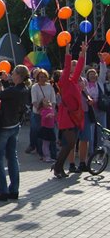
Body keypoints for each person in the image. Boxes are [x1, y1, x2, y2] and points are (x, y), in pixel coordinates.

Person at [0, 65, 30, 201]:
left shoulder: (13, 91)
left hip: (5, 126)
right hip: (15, 125)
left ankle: (3, 191)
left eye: (14, 73)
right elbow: (9, 93)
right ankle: (14, 189)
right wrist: (4, 80)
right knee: (12, 157)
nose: (11, 74)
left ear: (19, 76)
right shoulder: (24, 89)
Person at [53, 42, 87, 178]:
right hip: (66, 116)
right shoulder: (64, 83)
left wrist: (83, 52)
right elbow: (67, 67)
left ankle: (58, 167)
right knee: (70, 143)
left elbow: (79, 67)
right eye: (62, 73)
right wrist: (67, 50)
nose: (65, 73)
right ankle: (57, 167)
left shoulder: (73, 81)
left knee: (70, 143)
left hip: (74, 115)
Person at [29, 69, 56, 160]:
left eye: (44, 76)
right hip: (38, 114)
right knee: (40, 133)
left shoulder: (50, 87)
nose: (43, 78)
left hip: (50, 115)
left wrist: (51, 111)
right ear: (37, 78)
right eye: (41, 77)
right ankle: (41, 153)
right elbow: (34, 101)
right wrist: (42, 112)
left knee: (51, 134)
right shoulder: (35, 87)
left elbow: (53, 100)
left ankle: (53, 154)